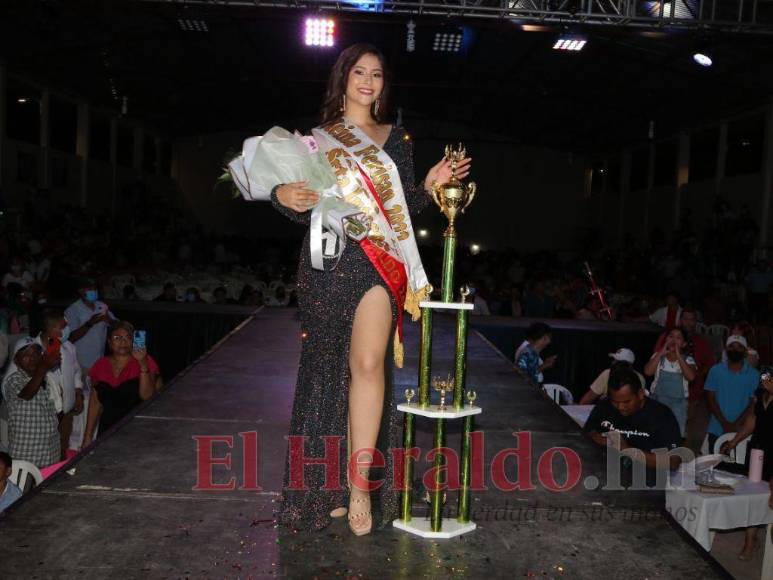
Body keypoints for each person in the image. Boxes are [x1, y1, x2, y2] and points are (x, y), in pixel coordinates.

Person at [270, 43, 469, 535]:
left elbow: (404, 210)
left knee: (366, 364)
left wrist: (430, 184)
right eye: (359, 72)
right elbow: (296, 205)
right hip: (327, 263)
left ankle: (360, 488)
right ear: (343, 78)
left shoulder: (396, 138)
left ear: (383, 85)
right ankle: (327, 490)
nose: (368, 81)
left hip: (378, 263)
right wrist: (281, 194)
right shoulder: (315, 140)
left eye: (377, 74)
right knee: (326, 373)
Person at [584, 368, 682, 483]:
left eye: (626, 402)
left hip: (645, 484)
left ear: (640, 394)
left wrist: (627, 450)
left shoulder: (661, 415)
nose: (620, 407)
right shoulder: (604, 407)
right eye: (615, 402)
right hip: (605, 477)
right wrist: (597, 438)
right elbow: (586, 433)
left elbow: (673, 462)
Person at [720, 371, 773, 561]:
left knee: (768, 497)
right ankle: (750, 541)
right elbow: (753, 420)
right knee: (753, 493)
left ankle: (756, 541)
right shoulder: (760, 394)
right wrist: (734, 441)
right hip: (757, 449)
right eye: (766, 377)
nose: (766, 380)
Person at [82, 321, 161, 447]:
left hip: (137, 431)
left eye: (127, 337)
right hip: (107, 431)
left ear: (133, 341)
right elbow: (95, 402)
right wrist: (88, 436)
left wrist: (142, 364)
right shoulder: (100, 364)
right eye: (117, 338)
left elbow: (147, 396)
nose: (123, 342)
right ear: (109, 342)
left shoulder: (146, 361)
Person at [653, 307, 715, 452]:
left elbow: (710, 363)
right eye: (685, 319)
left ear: (696, 322)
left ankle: (681, 458)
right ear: (680, 320)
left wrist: (697, 375)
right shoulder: (665, 337)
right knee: (660, 428)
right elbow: (654, 361)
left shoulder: (701, 342)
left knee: (684, 429)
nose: (688, 322)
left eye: (692, 319)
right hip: (662, 394)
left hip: (690, 393)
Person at [1, 338, 60, 468]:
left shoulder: (48, 379)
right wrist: (43, 368)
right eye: (26, 355)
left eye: (36, 354)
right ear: (16, 360)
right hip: (27, 457)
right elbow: (26, 395)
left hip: (51, 454)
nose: (32, 358)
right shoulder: (12, 380)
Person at [34, 309, 84, 459]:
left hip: (66, 411)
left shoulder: (69, 347)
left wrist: (78, 393)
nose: (67, 329)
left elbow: (76, 372)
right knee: (44, 451)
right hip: (44, 414)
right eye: (63, 327)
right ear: (52, 329)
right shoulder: (31, 350)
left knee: (62, 447)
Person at [705, 335, 760, 451]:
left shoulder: (755, 375)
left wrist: (736, 425)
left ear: (745, 352)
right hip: (717, 428)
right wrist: (724, 423)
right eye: (731, 346)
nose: (735, 350)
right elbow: (710, 399)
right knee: (716, 462)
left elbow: (753, 404)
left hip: (743, 431)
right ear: (726, 350)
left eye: (739, 347)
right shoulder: (715, 370)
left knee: (740, 463)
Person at [644, 328, 697, 439]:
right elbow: (648, 372)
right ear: (666, 340)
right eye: (671, 336)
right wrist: (661, 353)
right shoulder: (658, 357)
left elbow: (691, 377)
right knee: (655, 432)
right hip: (657, 400)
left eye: (678, 338)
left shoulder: (688, 360)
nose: (673, 340)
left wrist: (678, 355)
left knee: (676, 434)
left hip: (678, 404)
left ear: (684, 344)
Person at [64, 280, 116, 373]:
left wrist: (109, 319)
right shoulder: (72, 310)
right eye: (90, 288)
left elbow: (118, 326)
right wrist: (90, 323)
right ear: (81, 291)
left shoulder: (102, 305)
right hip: (82, 363)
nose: (93, 291)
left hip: (100, 361)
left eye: (95, 288)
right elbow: (70, 338)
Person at [579, 348, 646, 405]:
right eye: (614, 360)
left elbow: (589, 397)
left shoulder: (607, 374)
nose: (613, 362)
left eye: (616, 361)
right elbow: (589, 397)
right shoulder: (640, 377)